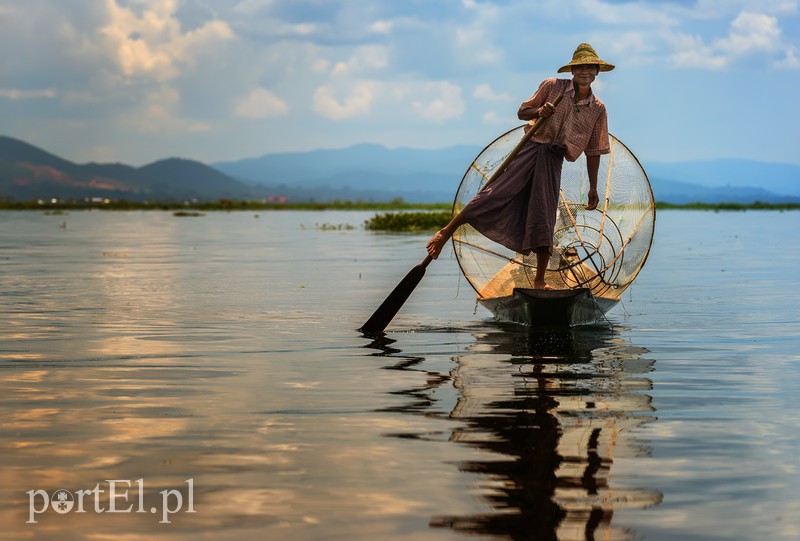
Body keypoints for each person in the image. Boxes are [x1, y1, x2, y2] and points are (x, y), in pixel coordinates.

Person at [426, 43, 614, 290]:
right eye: (581, 67)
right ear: (573, 70)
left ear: (597, 72)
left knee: (544, 215)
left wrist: (592, 188)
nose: (585, 72)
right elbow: (522, 112)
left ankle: (539, 280)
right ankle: (445, 232)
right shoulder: (552, 86)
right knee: (495, 193)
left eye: (590, 67)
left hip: (553, 159)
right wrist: (540, 110)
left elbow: (593, 151)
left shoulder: (598, 109)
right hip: (531, 147)